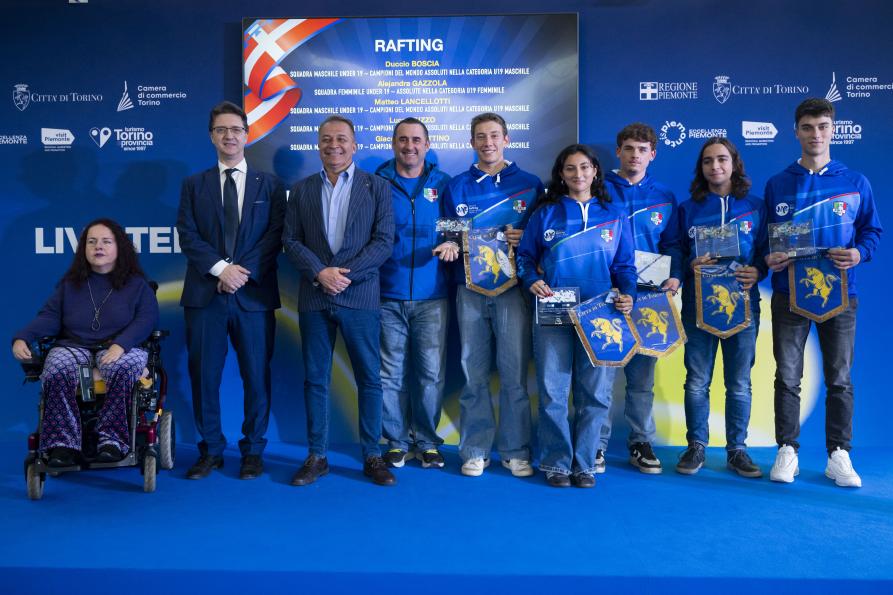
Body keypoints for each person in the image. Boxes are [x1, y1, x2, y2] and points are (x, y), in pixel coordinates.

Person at [764, 98, 882, 487]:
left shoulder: (855, 182)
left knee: (840, 377)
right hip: (789, 294)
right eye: (808, 127)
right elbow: (766, 241)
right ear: (796, 131)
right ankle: (787, 450)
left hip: (840, 295)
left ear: (833, 130)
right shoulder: (778, 184)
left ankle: (839, 454)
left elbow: (872, 231)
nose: (816, 134)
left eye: (822, 127)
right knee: (788, 376)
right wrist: (770, 257)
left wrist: (859, 252)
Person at [283, 115, 396, 486]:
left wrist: (342, 276)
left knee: (370, 379)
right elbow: (290, 240)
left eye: (342, 139)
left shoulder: (377, 187)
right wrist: (320, 273)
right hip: (315, 297)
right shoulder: (301, 190)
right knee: (316, 379)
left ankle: (373, 455)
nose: (334, 145)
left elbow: (384, 241)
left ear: (354, 145)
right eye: (327, 139)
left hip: (359, 295)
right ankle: (317, 456)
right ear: (318, 145)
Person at [176, 101, 286, 481]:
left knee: (256, 376)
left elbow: (274, 236)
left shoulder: (270, 185)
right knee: (204, 377)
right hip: (205, 296)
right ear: (212, 136)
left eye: (236, 129)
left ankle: (253, 450)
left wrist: (240, 273)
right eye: (221, 130)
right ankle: (210, 451)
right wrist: (222, 269)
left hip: (253, 296)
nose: (229, 136)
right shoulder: (194, 185)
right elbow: (188, 235)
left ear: (247, 135)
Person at [517, 144, 637, 488]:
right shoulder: (545, 213)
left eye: (584, 167)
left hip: (600, 312)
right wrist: (532, 279)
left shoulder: (614, 215)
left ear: (595, 171)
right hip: (554, 310)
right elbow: (524, 257)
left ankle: (585, 464)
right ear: (561, 174)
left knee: (595, 394)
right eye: (570, 168)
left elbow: (624, 266)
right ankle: (556, 463)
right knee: (553, 391)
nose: (578, 174)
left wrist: (628, 293)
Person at [442, 112, 543, 477]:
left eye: (494, 135)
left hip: (513, 290)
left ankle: (516, 450)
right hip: (469, 289)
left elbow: (544, 237)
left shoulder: (530, 184)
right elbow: (448, 232)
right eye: (481, 137)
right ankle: (475, 449)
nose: (488, 143)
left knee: (514, 374)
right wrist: (450, 244)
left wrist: (526, 237)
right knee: (474, 372)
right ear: (472, 142)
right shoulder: (456, 186)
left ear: (506, 139)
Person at [12, 219, 159, 466]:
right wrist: (22, 337)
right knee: (56, 368)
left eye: (106, 241)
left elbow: (147, 319)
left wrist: (121, 344)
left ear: (120, 247)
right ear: (84, 248)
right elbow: (49, 317)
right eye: (92, 242)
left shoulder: (137, 285)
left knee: (123, 366)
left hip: (117, 346)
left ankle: (112, 441)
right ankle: (62, 445)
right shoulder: (70, 284)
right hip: (74, 345)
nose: (98, 246)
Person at [675, 137, 767, 478]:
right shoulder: (688, 209)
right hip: (698, 305)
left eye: (722, 159)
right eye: (708, 161)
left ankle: (736, 450)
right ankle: (696, 446)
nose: (715, 166)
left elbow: (766, 250)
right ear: (700, 168)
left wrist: (759, 270)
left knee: (739, 382)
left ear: (734, 163)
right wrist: (689, 265)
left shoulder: (755, 206)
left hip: (743, 304)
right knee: (697, 381)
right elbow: (675, 251)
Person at [599, 123, 680, 474]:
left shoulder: (664, 195)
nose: (635, 155)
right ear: (618, 151)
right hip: (607, 295)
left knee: (642, 379)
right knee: (600, 377)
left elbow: (673, 243)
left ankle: (641, 442)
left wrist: (676, 274)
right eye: (629, 148)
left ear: (653, 154)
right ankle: (596, 444)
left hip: (649, 297)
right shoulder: (599, 188)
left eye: (642, 149)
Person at [375, 117, 455, 470]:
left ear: (427, 144)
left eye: (416, 140)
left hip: (432, 295)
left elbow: (458, 228)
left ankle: (427, 442)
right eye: (403, 139)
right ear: (394, 144)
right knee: (389, 374)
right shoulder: (376, 182)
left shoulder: (444, 184)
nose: (410, 146)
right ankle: (395, 441)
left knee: (430, 374)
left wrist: (453, 243)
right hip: (387, 294)